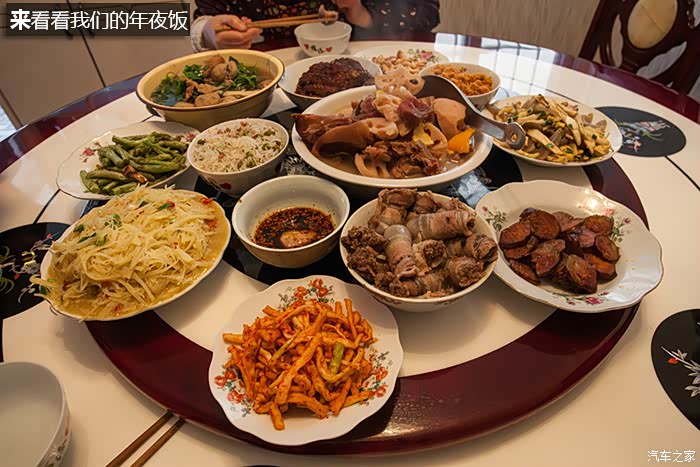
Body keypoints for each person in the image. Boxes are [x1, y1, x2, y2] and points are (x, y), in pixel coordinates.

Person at [191, 0, 440, 51]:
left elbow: (427, 11)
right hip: (274, 79)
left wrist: (360, 12)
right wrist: (208, 31)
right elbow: (200, 20)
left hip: (363, 61)